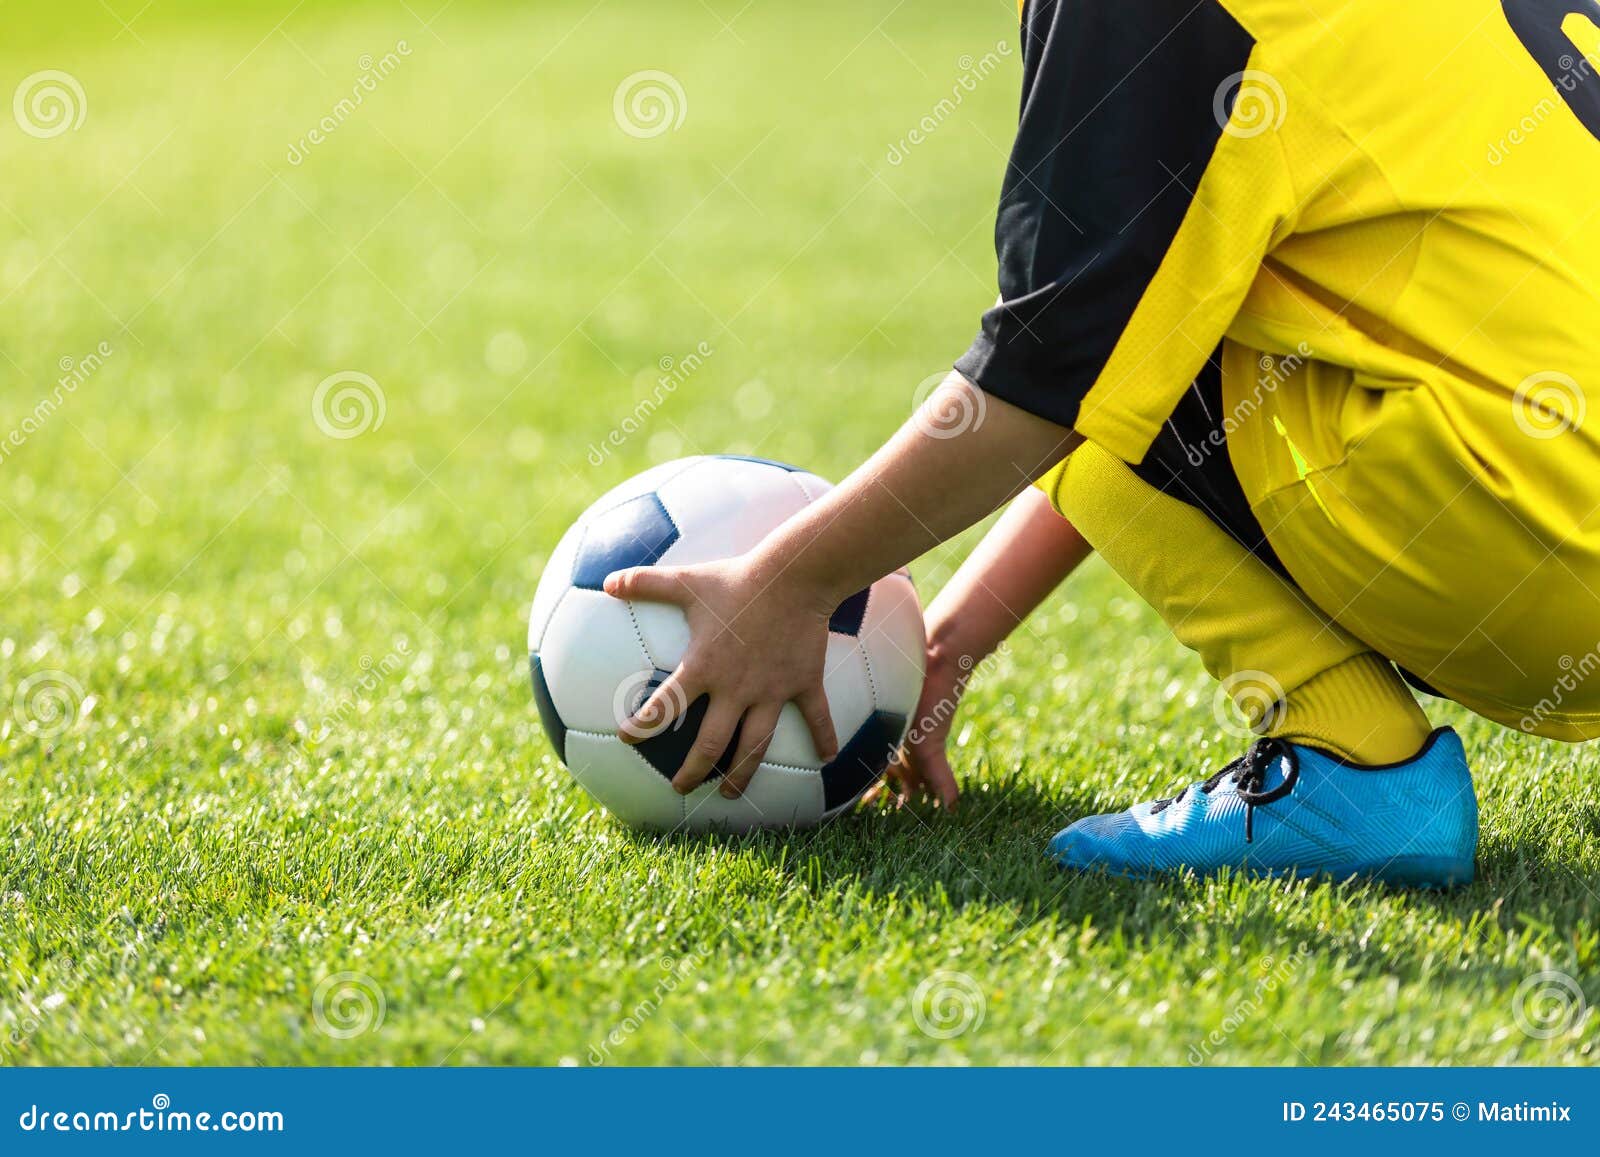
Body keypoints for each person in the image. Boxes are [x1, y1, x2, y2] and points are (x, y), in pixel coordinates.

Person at [603, 0, 1600, 885]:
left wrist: (790, 585)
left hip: (1548, 565)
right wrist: (945, 647)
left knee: (1097, 315)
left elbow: (1053, 370)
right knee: (1159, 297)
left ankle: (1352, 761)